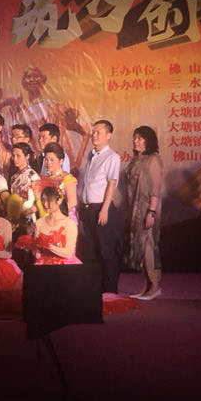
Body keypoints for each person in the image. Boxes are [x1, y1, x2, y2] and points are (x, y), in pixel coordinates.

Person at [78, 119, 122, 294]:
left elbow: (112, 184)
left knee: (106, 250)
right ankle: (96, 288)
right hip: (88, 208)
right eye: (93, 132)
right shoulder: (91, 155)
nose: (94, 135)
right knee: (92, 251)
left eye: (98, 132)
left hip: (101, 208)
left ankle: (110, 290)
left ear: (108, 135)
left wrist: (104, 209)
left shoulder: (112, 157)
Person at [123, 126, 163, 300]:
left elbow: (155, 189)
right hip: (135, 210)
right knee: (139, 246)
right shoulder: (135, 160)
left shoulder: (153, 160)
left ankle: (155, 285)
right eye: (135, 138)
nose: (136, 141)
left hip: (147, 209)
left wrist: (151, 212)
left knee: (148, 246)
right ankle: (146, 286)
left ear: (148, 140)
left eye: (140, 138)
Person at [17, 186, 81, 265]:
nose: (45, 204)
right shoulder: (39, 223)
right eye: (43, 200)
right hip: (43, 264)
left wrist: (47, 245)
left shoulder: (69, 224)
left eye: (49, 200)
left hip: (63, 266)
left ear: (59, 200)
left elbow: (68, 253)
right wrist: (32, 246)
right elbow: (37, 253)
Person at [8, 142, 41, 242]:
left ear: (27, 156)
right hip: (15, 219)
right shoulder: (14, 177)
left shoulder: (33, 176)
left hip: (28, 218)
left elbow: (39, 201)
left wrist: (26, 212)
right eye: (13, 156)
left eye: (18, 155)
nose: (15, 159)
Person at [41, 142, 78, 224]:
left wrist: (57, 215)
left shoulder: (67, 178)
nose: (48, 163)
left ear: (61, 161)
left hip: (64, 219)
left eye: (52, 160)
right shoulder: (45, 179)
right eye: (46, 160)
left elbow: (72, 201)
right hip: (49, 218)